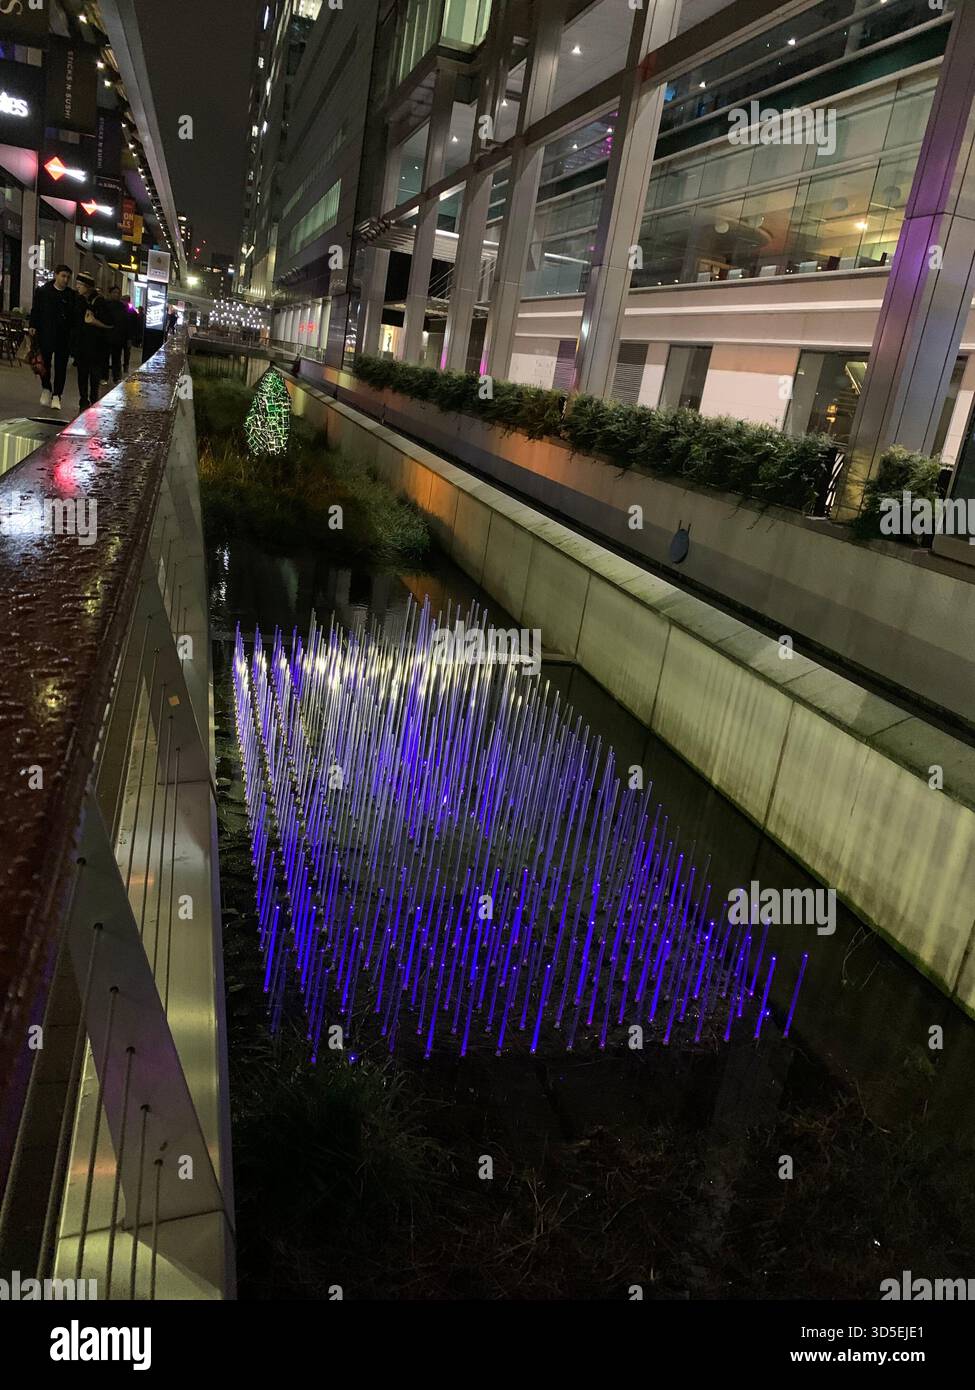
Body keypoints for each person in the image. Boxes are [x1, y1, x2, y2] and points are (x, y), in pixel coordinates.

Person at [28, 264, 77, 412]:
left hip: (63, 336)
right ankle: (46, 388)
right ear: (56, 275)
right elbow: (35, 309)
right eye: (63, 276)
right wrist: (33, 325)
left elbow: (73, 316)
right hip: (46, 333)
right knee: (45, 364)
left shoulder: (71, 295)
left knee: (61, 367)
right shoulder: (43, 292)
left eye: (68, 277)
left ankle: (57, 395)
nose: (65, 279)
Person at [73, 272, 113, 411]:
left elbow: (109, 322)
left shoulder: (100, 302)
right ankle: (83, 399)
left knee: (94, 375)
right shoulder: (78, 300)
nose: (77, 287)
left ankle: (94, 398)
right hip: (82, 344)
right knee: (82, 374)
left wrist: (95, 322)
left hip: (96, 345)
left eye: (80, 284)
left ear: (88, 286)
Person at [103, 285, 128, 384]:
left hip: (118, 337)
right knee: (105, 358)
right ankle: (104, 376)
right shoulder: (105, 305)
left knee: (116, 358)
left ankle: (116, 377)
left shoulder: (122, 307)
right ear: (110, 293)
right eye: (114, 292)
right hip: (107, 336)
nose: (116, 295)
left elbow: (125, 323)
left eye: (118, 293)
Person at [120, 294, 138, 372]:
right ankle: (122, 366)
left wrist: (132, 337)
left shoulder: (132, 312)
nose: (122, 301)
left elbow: (134, 325)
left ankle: (126, 366)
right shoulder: (121, 309)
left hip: (128, 336)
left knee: (127, 352)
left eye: (123, 300)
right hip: (121, 335)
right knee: (122, 351)